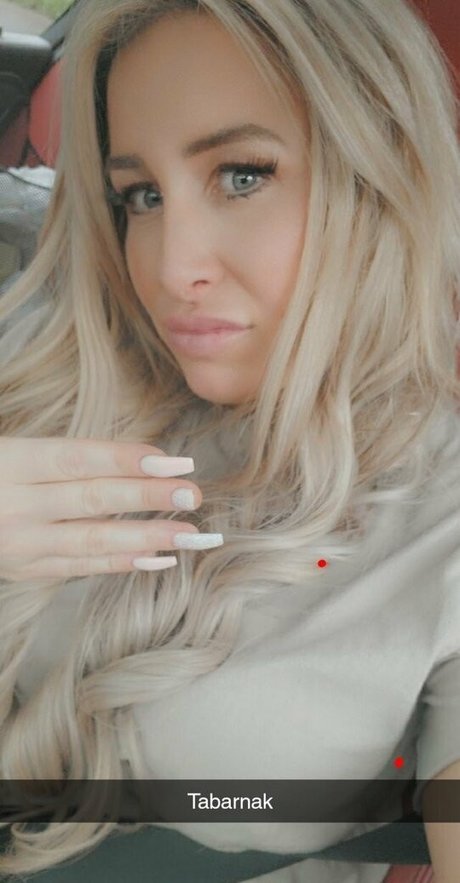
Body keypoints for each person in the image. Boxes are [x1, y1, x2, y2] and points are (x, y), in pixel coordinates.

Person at [0, 0, 459, 880]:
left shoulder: (444, 524)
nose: (173, 269)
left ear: (384, 169)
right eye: (142, 195)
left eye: (242, 176)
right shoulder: (55, 364)